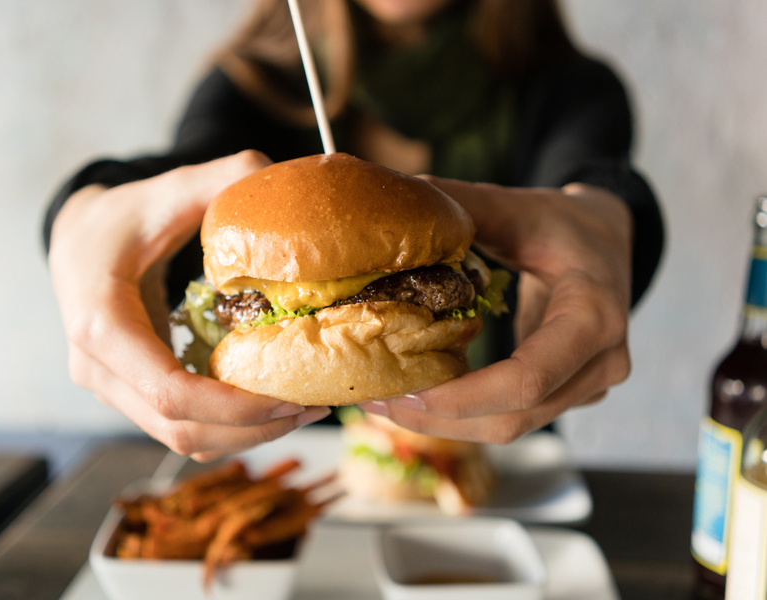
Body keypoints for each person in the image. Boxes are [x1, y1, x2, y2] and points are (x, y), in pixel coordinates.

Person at [44, 0, 664, 463]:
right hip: (282, 476)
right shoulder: (250, 87)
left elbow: (587, 180)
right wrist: (77, 213)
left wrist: (609, 214)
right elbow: (163, 180)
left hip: (507, 478)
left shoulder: (570, 92)